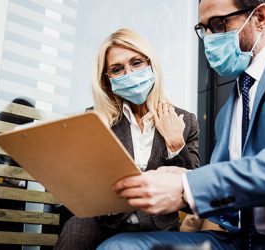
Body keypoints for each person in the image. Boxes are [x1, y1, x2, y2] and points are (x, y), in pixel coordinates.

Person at [97, 0, 265, 249]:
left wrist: (188, 185)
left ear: (260, 16)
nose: (210, 39)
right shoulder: (227, 113)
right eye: (204, 29)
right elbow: (223, 195)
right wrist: (177, 179)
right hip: (243, 240)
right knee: (119, 246)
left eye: (218, 24)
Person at [54, 28, 200, 250]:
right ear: (107, 78)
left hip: (157, 227)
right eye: (117, 69)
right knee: (75, 231)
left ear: (150, 64)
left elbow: (191, 198)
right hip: (104, 221)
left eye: (136, 63)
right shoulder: (96, 119)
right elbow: (83, 183)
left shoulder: (185, 121)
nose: (129, 73)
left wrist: (176, 145)